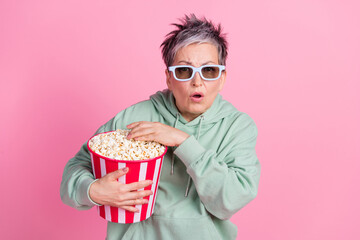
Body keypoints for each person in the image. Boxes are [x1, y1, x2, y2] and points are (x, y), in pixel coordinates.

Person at [60, 14, 260, 240]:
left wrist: (183, 142)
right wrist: (92, 190)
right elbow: (75, 170)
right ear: (168, 78)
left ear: (222, 78)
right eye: (184, 71)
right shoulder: (135, 117)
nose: (197, 81)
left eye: (209, 70)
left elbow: (232, 200)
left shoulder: (237, 128)